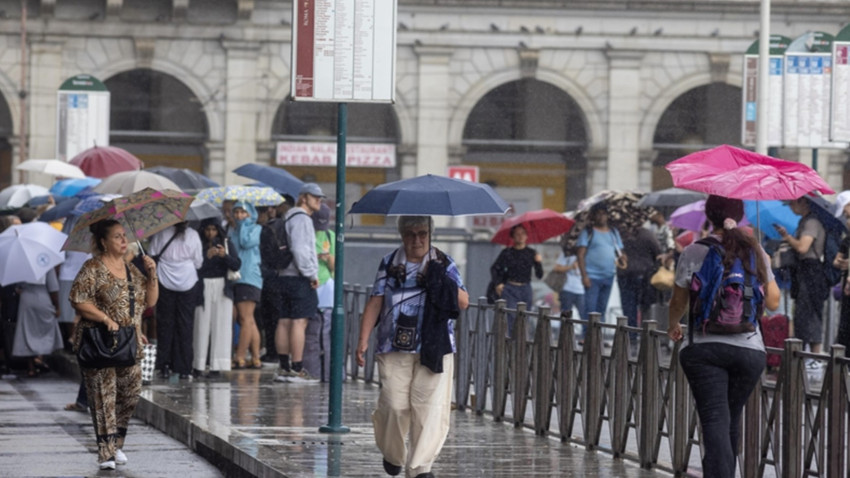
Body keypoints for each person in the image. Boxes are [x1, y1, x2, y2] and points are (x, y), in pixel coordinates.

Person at [667, 195, 779, 478]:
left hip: (704, 349)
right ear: (740, 216)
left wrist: (673, 324)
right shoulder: (756, 252)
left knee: (715, 418)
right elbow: (775, 302)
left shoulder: (694, 251)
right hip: (750, 352)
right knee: (729, 417)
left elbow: (678, 301)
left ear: (709, 216)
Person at [356, 216, 469, 478]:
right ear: (401, 235)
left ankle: (420, 468)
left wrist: (440, 278)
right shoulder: (388, 262)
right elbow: (376, 300)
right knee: (394, 406)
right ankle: (393, 453)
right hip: (393, 345)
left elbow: (463, 301)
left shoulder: (443, 262)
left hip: (434, 346)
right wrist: (362, 339)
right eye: (410, 234)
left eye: (422, 234)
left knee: (428, 410)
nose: (416, 240)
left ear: (430, 235)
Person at [70, 219, 158, 470]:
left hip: (128, 341)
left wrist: (152, 274)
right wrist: (106, 319)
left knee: (130, 392)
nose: (123, 241)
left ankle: (117, 442)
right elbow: (78, 300)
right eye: (117, 236)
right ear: (103, 242)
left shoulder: (132, 269)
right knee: (102, 396)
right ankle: (106, 451)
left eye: (124, 236)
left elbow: (149, 302)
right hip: (98, 341)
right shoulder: (92, 267)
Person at [274, 183, 323, 382]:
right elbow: (301, 250)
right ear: (304, 198)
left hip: (283, 275)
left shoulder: (288, 217)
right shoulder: (302, 219)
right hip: (299, 277)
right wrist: (312, 274)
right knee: (298, 322)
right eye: (315, 197)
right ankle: (297, 367)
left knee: (284, 321)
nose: (319, 200)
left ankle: (284, 367)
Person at [774, 196, 827, 366]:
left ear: (803, 202)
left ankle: (814, 359)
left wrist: (787, 237)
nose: (790, 206)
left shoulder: (812, 222)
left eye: (792, 202)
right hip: (803, 272)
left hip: (812, 272)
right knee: (802, 315)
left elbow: (803, 247)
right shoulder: (804, 221)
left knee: (810, 314)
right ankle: (805, 356)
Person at [149, 221, 203, 380]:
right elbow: (199, 262)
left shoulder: (161, 232)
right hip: (188, 281)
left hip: (164, 279)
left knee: (165, 324)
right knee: (185, 325)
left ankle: (164, 364)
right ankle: (185, 367)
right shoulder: (193, 235)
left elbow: (152, 252)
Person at [193, 218, 241, 377]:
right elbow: (195, 268)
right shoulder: (198, 243)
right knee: (201, 325)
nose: (210, 233)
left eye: (213, 229)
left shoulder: (226, 243)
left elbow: (236, 264)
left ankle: (217, 365)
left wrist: (224, 256)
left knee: (222, 326)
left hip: (222, 286)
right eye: (207, 229)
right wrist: (207, 257)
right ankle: (198, 364)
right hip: (203, 286)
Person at [576, 202, 627, 334]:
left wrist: (623, 258)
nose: (601, 216)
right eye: (598, 214)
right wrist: (584, 276)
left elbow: (620, 252)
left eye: (604, 213)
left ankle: (598, 338)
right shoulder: (588, 232)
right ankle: (586, 336)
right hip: (592, 277)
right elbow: (580, 255)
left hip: (609, 276)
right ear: (593, 216)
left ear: (607, 215)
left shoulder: (614, 233)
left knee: (602, 309)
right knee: (590, 309)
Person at [11, 253, 62, 378]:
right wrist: (57, 306)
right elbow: (53, 288)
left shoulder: (22, 264)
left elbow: (17, 287)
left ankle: (31, 369)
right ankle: (39, 357)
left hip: (26, 299)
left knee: (27, 331)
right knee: (46, 328)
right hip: (43, 296)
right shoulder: (46, 262)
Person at [489, 224, 543, 337]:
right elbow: (495, 268)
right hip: (510, 288)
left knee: (524, 318)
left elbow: (539, 275)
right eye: (517, 234)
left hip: (525, 288)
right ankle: (512, 344)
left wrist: (538, 262)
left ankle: (521, 344)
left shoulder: (531, 253)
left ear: (527, 236)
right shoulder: (507, 252)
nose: (520, 236)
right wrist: (498, 283)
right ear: (512, 237)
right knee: (512, 316)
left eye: (523, 233)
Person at [229, 201, 263, 369]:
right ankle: (256, 357)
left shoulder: (256, 229)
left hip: (249, 277)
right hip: (236, 277)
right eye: (236, 212)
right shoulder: (232, 230)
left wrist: (243, 225)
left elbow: (245, 243)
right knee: (249, 320)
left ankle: (240, 356)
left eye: (243, 212)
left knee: (245, 318)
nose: (239, 216)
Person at [616, 225, 662, 347]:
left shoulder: (619, 235)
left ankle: (631, 337)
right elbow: (657, 252)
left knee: (629, 307)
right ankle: (645, 334)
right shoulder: (647, 234)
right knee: (645, 306)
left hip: (625, 274)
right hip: (644, 274)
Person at [304, 202, 334, 381]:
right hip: (309, 286)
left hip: (326, 288)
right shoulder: (305, 235)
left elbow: (335, 267)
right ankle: (312, 372)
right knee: (311, 334)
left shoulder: (330, 236)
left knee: (328, 334)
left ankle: (330, 374)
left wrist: (327, 257)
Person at [832, 202, 850, 355]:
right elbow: (836, 260)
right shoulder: (847, 240)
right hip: (847, 288)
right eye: (846, 217)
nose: (848, 221)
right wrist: (842, 263)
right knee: (845, 325)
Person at [552, 245, 585, 321]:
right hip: (567, 288)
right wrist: (570, 267)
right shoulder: (567, 253)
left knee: (584, 316)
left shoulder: (589, 254)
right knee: (565, 316)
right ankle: (564, 332)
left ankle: (585, 332)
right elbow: (556, 268)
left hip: (582, 290)